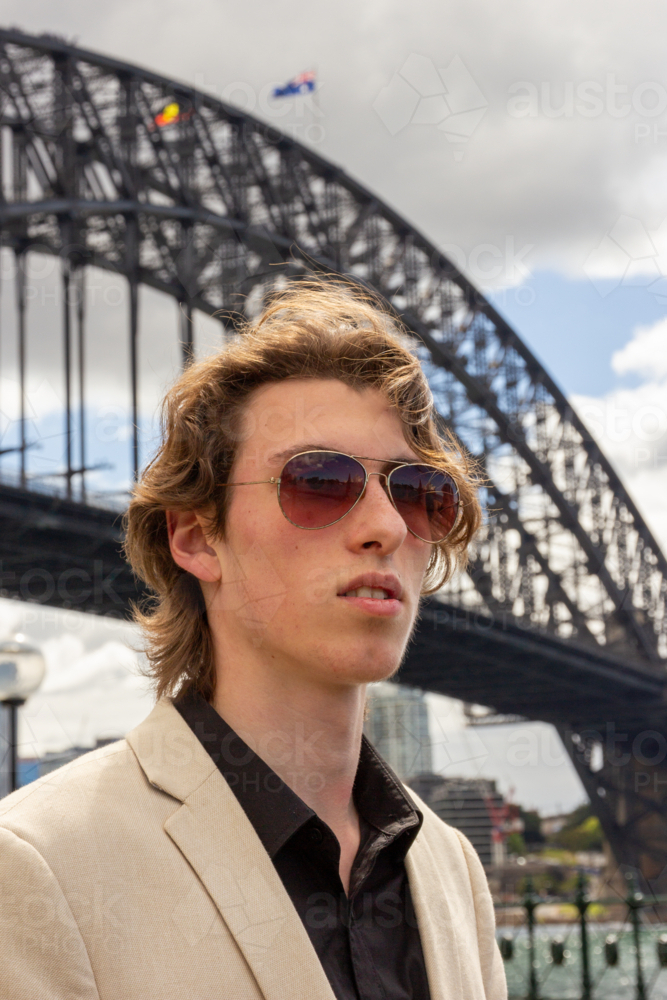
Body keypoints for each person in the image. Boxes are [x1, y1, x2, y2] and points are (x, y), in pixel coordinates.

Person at [0, 279, 506, 1000]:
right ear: (198, 538)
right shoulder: (34, 866)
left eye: (416, 492)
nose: (386, 526)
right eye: (319, 481)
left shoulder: (450, 869)